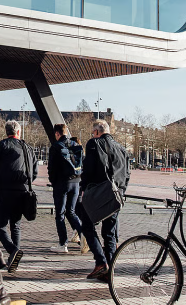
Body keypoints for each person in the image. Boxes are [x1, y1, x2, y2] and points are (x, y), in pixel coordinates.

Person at [0, 120, 36, 272]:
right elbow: (34, 171)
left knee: (0, 225)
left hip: (4, 191)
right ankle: (14, 259)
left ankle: (13, 251)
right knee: (16, 225)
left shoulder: (0, 147)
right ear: (19, 132)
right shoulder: (28, 148)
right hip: (22, 191)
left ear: (6, 132)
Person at [77, 120, 129, 280]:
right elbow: (127, 174)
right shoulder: (121, 148)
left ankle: (100, 262)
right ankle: (110, 271)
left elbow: (89, 168)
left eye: (93, 133)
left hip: (100, 193)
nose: (92, 135)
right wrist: (121, 191)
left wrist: (84, 188)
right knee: (109, 233)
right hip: (116, 195)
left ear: (97, 132)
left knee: (86, 225)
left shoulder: (94, 144)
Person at [48, 123, 83, 253]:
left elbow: (51, 168)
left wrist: (54, 182)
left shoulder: (56, 147)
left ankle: (63, 244)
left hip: (62, 184)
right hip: (76, 182)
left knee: (60, 214)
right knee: (71, 211)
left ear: (57, 133)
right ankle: (83, 236)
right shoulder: (76, 145)